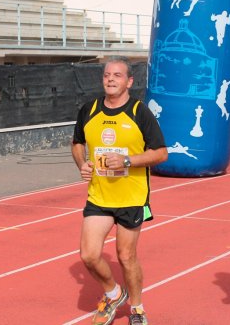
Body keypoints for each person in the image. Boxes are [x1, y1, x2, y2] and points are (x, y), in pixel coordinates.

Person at [71, 57, 168, 325]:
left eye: (117, 75)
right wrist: (83, 164)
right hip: (99, 196)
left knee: (126, 256)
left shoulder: (139, 112)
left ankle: (136, 307)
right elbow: (77, 142)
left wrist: (127, 160)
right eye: (106, 75)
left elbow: (161, 153)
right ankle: (114, 293)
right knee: (89, 255)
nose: (111, 79)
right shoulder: (89, 110)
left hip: (131, 197)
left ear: (129, 81)